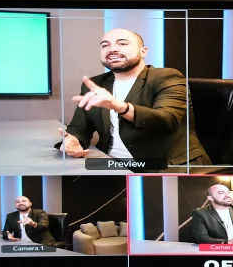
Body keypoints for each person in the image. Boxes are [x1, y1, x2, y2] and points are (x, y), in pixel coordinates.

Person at [57, 28, 210, 168]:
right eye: (105, 45)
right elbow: (79, 127)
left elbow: (166, 119)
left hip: (164, 165)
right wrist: (73, 141)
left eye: (122, 43)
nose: (112, 49)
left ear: (143, 52)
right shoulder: (96, 83)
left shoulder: (167, 77)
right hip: (111, 163)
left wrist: (120, 106)